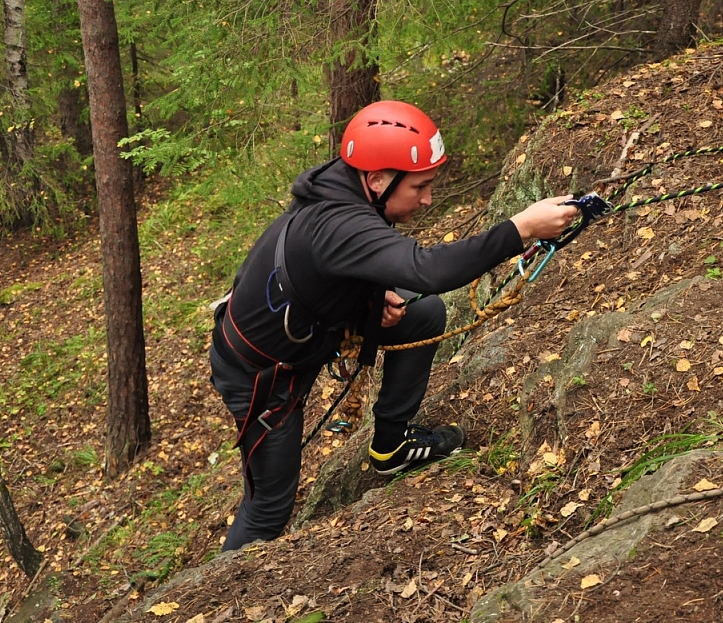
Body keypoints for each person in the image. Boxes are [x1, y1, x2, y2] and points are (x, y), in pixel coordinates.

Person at [209, 100, 578, 551]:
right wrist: (521, 228)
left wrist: (365, 298)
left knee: (423, 315)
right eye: (419, 186)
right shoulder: (337, 221)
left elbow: (332, 267)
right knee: (269, 506)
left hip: (303, 333)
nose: (427, 199)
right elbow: (427, 270)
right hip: (262, 377)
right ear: (378, 179)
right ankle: (222, 584)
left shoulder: (342, 188)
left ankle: (391, 446)